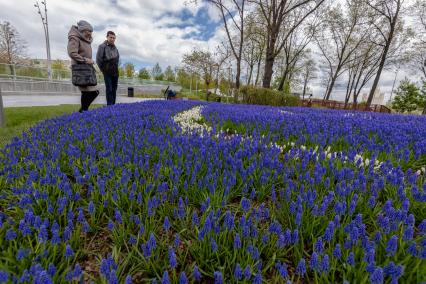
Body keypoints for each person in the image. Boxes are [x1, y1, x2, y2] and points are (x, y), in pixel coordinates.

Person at [67, 20, 99, 113]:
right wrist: (85, 60)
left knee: (93, 92)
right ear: (83, 30)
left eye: (91, 32)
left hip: (87, 69)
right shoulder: (74, 38)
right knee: (87, 92)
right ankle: (83, 112)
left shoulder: (86, 40)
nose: (90, 34)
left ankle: (83, 111)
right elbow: (72, 53)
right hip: (79, 69)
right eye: (89, 31)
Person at [96, 31, 120, 105]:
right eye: (111, 37)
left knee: (114, 89)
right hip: (107, 71)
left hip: (115, 71)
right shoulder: (102, 46)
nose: (112, 39)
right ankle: (109, 106)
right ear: (107, 37)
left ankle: (113, 105)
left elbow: (117, 59)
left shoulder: (116, 48)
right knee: (109, 89)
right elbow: (98, 60)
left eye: (114, 38)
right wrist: (103, 70)